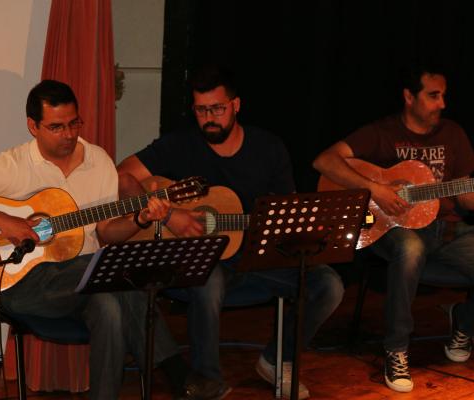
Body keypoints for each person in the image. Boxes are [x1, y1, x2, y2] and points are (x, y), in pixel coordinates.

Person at [0, 80, 188, 399]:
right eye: (56, 127)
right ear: (33, 126)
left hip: (87, 283)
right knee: (114, 270)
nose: (69, 134)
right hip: (23, 283)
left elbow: (105, 233)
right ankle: (177, 371)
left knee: (110, 305)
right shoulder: (14, 164)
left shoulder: (98, 160)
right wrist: (5, 221)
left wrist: (139, 218)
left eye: (74, 123)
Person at [117, 65, 345, 399]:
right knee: (209, 280)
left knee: (330, 284)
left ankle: (275, 360)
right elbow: (122, 176)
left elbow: (285, 212)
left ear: (236, 105)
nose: (209, 117)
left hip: (254, 256)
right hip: (200, 257)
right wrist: (170, 217)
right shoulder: (180, 144)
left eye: (217, 108)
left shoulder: (268, 148)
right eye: (201, 110)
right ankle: (207, 381)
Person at [313, 65, 474, 393]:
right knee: (410, 248)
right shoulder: (381, 132)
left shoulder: (453, 134)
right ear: (409, 97)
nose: (442, 104)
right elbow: (325, 162)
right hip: (393, 229)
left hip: (449, 232)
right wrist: (376, 189)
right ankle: (396, 349)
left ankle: (463, 323)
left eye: (444, 96)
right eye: (433, 96)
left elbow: (467, 199)